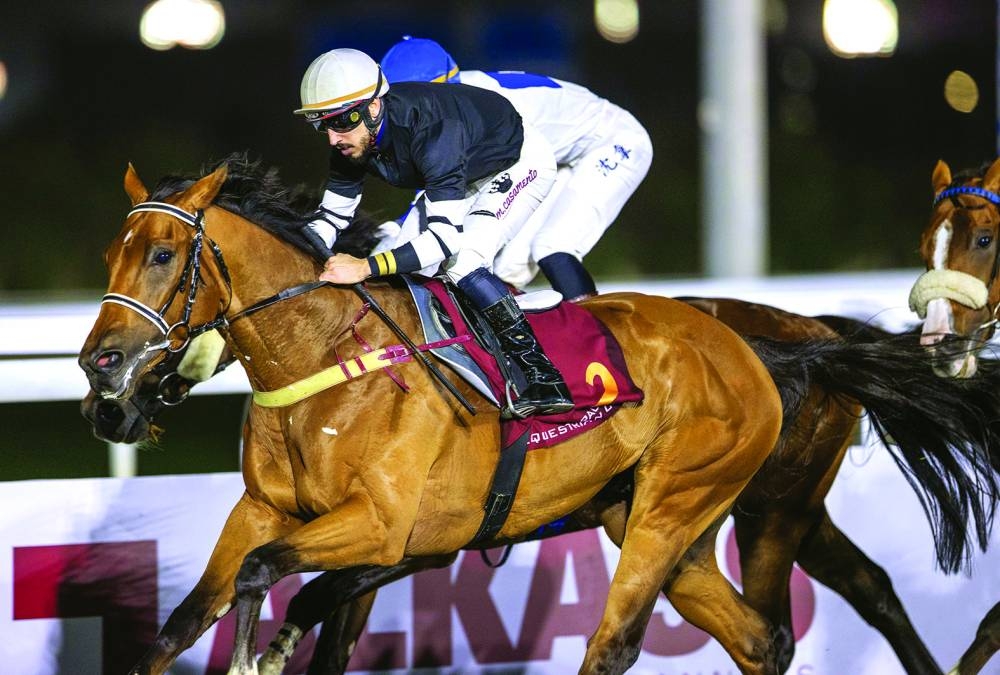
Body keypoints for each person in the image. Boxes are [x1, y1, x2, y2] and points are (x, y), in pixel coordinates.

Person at [296, 47, 573, 417]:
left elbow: (443, 242)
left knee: (463, 261)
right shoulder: (350, 139)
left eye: (342, 121)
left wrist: (363, 267)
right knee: (397, 257)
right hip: (462, 167)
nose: (333, 138)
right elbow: (329, 219)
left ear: (374, 107)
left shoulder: (431, 130)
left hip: (517, 162)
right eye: (322, 125)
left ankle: (544, 377)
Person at [378, 36, 653, 302]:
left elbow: (446, 190)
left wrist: (393, 234)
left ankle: (595, 331)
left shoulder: (473, 112)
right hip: (554, 155)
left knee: (553, 246)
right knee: (506, 268)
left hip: (612, 140)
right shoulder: (452, 102)